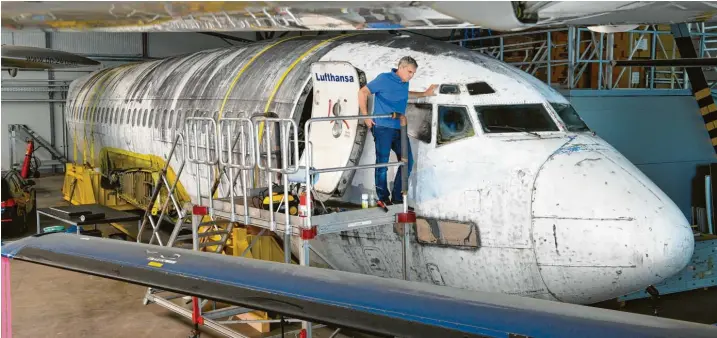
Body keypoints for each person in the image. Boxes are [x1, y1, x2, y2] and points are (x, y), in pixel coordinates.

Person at [358, 56, 437, 205]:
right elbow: (362, 92)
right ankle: (382, 198)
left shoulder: (404, 82)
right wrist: (366, 116)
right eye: (409, 72)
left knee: (408, 161)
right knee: (382, 163)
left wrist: (424, 94)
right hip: (382, 127)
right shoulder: (384, 79)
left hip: (399, 127)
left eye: (413, 73)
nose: (411, 75)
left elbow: (405, 95)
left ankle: (398, 197)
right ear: (400, 68)